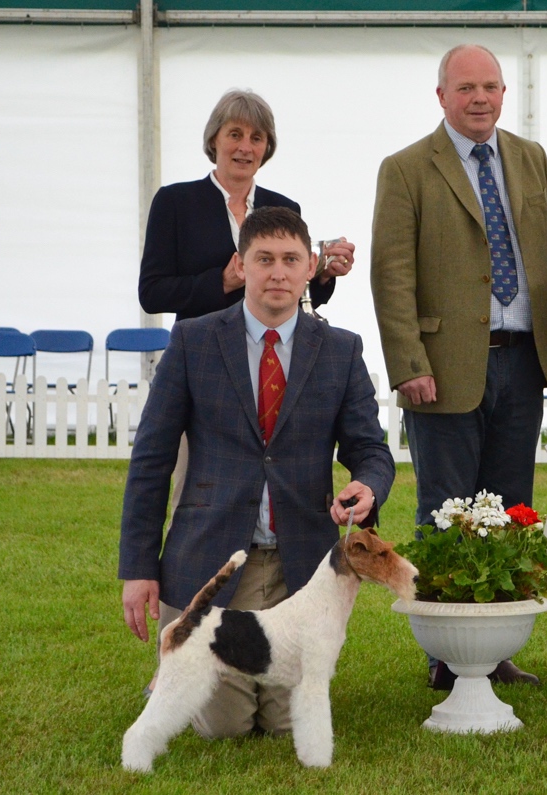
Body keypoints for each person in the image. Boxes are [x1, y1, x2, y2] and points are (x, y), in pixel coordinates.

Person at [119, 206, 395, 739]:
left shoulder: (341, 350)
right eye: (263, 259)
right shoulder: (193, 342)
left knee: (285, 724)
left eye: (291, 259)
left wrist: (367, 485)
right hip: (212, 558)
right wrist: (138, 568)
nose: (278, 272)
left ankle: (197, 676)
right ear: (241, 266)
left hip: (303, 566)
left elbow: (371, 450)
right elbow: (151, 459)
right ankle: (173, 671)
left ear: (310, 266)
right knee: (227, 728)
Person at [370, 44, 547, 689]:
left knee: (511, 508)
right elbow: (391, 273)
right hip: (440, 369)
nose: (481, 98)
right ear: (441, 96)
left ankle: (492, 646)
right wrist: (408, 361)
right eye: (466, 87)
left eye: (491, 86)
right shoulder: (406, 168)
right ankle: (446, 652)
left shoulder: (530, 158)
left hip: (524, 364)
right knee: (446, 511)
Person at [138, 88, 354, 323]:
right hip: (201, 351)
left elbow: (296, 296)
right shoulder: (174, 202)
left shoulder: (284, 208)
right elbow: (152, 294)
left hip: (271, 350)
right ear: (213, 139)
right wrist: (222, 282)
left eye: (256, 138)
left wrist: (323, 275)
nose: (245, 147)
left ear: (266, 148)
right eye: (235, 134)